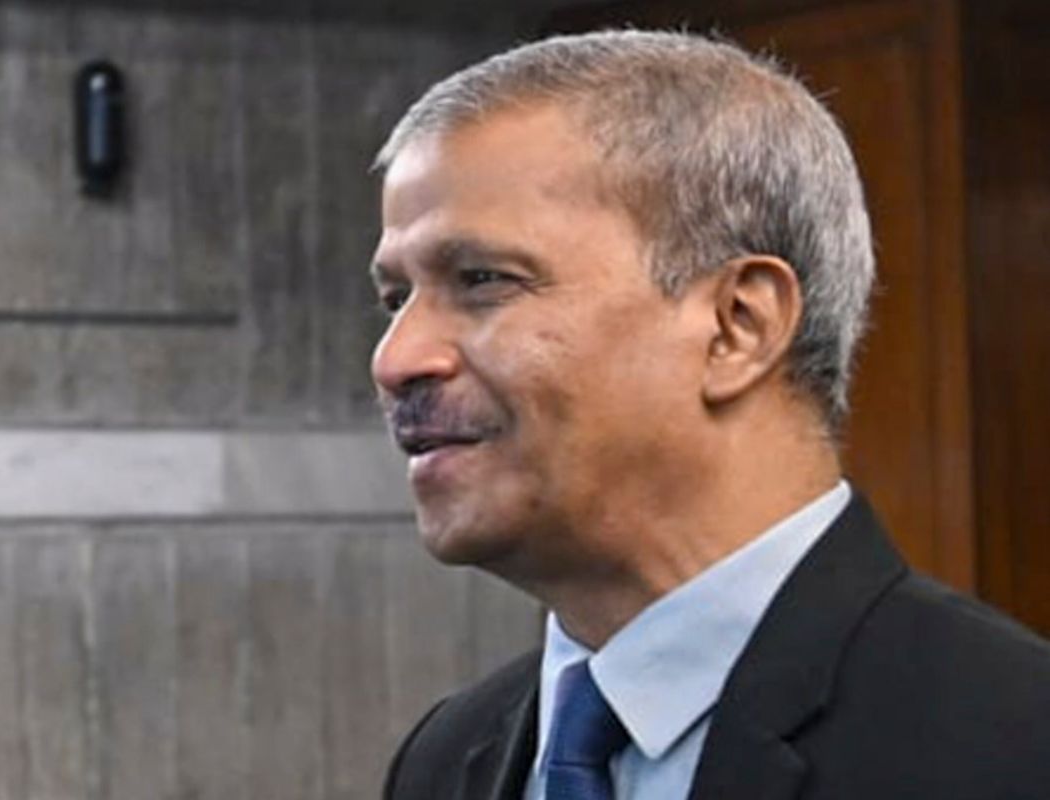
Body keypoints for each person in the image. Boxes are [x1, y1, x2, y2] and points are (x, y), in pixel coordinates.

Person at [370, 29, 1050, 800]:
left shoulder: (1014, 746)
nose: (395, 360)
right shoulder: (445, 758)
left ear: (738, 326)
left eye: (483, 280)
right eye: (395, 300)